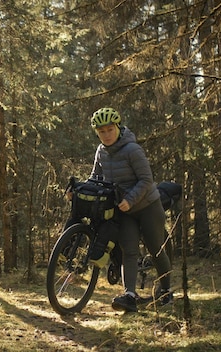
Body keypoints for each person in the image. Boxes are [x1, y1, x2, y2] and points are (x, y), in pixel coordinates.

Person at [88, 107, 173, 312]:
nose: (106, 135)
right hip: (124, 210)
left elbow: (146, 180)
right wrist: (80, 190)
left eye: (109, 130)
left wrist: (131, 199)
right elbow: (95, 178)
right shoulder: (101, 151)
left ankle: (167, 292)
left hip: (147, 206)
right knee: (129, 251)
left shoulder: (132, 150)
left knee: (156, 249)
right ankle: (129, 295)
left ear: (117, 128)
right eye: (101, 132)